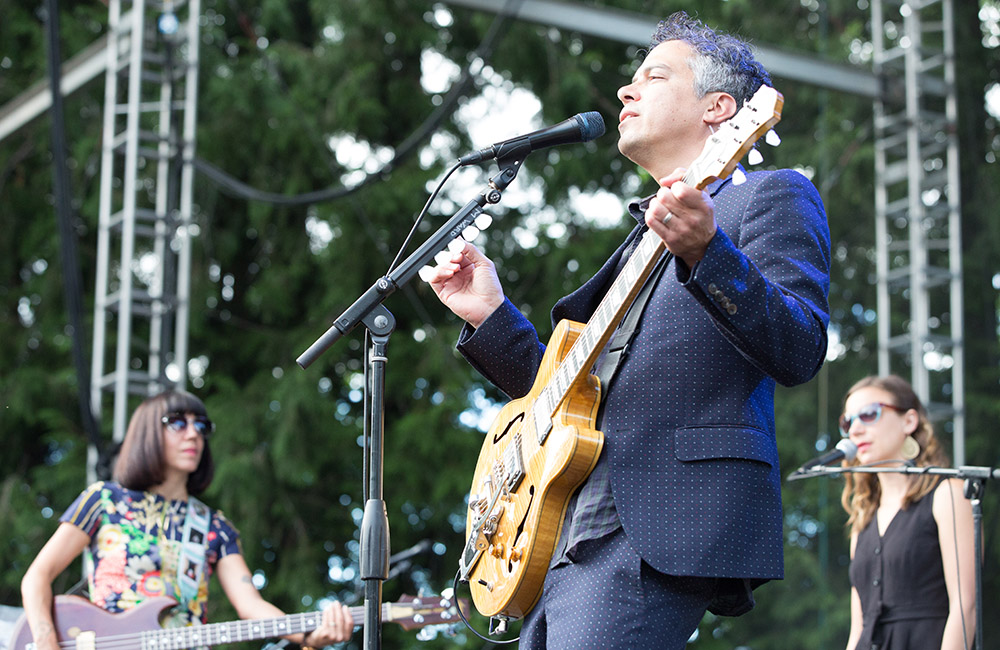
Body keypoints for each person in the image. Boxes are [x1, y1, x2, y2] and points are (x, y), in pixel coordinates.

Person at [423, 10, 830, 649]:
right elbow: (562, 396)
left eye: (655, 75)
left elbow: (802, 346)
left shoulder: (770, 197)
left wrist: (709, 253)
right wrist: (489, 314)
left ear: (720, 109)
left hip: (654, 522)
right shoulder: (640, 239)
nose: (625, 90)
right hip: (558, 532)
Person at [20, 389, 355, 650]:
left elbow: (251, 605)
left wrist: (310, 636)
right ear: (147, 432)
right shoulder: (103, 500)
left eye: (201, 425)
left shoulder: (214, 526)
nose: (194, 434)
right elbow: (37, 577)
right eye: (178, 423)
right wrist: (47, 640)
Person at [840, 375, 976, 650]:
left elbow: (966, 607)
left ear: (909, 421)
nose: (855, 430)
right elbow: (858, 628)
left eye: (869, 414)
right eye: (847, 421)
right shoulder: (863, 519)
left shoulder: (948, 494)